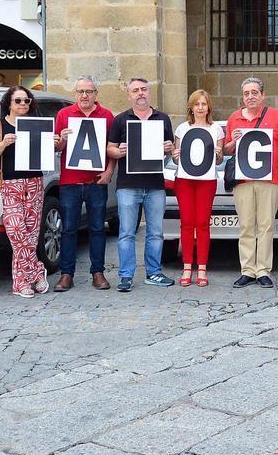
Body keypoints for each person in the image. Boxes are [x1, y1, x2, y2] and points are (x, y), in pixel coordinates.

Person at [0, 86, 53, 298]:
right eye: (18, 100)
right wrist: (3, 144)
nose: (23, 104)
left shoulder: (36, 124)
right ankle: (37, 271)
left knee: (30, 234)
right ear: (9, 103)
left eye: (26, 100)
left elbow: (48, 152)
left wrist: (55, 142)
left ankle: (21, 283)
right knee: (16, 232)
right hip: (7, 185)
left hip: (34, 183)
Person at [106, 78, 175, 293]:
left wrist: (169, 147)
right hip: (128, 185)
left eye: (143, 89)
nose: (140, 93)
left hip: (155, 184)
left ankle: (154, 272)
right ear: (129, 95)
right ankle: (126, 275)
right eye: (135, 90)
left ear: (149, 92)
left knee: (155, 232)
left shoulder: (162, 118)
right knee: (127, 232)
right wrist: (118, 152)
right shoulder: (120, 120)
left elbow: (170, 149)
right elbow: (110, 148)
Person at [223, 77, 278, 289]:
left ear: (262, 95)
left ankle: (263, 270)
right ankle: (247, 269)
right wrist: (232, 141)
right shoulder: (234, 118)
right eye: (246, 93)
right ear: (242, 97)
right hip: (243, 180)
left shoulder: (277, 116)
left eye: (254, 92)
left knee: (266, 226)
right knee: (246, 225)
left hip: (269, 180)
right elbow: (227, 150)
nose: (250, 97)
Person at [53, 76, 115, 292]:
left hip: (96, 181)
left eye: (89, 91)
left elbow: (112, 147)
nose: (85, 95)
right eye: (81, 91)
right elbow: (56, 148)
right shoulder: (64, 114)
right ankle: (66, 274)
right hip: (70, 181)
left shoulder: (106, 115)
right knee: (68, 229)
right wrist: (62, 139)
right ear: (75, 93)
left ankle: (98, 272)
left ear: (96, 94)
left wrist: (109, 171)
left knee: (97, 228)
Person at [171, 89, 220, 288]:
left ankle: (202, 268)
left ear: (209, 107)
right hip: (185, 180)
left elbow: (219, 160)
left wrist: (218, 154)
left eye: (203, 104)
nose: (200, 108)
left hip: (207, 180)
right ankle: (186, 267)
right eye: (197, 104)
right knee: (186, 222)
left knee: (203, 223)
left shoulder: (216, 129)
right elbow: (177, 159)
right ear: (191, 107)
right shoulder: (182, 128)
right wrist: (175, 156)